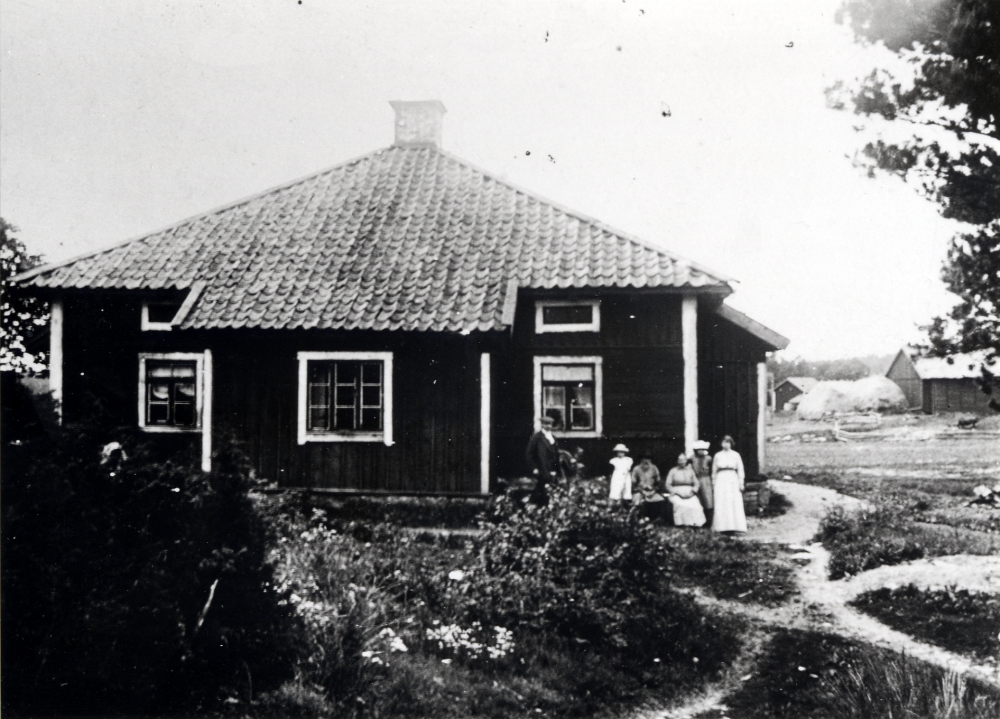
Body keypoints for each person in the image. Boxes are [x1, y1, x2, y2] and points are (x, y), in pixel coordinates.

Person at [711, 434, 747, 533]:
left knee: (733, 501)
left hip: (732, 479)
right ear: (721, 444)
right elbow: (714, 471)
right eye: (724, 442)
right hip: (721, 479)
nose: (726, 444)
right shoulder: (717, 455)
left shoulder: (736, 455)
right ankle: (721, 527)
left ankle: (734, 526)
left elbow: (740, 469)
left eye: (728, 442)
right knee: (722, 502)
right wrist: (713, 483)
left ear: (731, 444)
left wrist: (741, 483)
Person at [664, 452, 706, 527]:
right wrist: (676, 492)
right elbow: (668, 484)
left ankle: (694, 524)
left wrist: (693, 491)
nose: (682, 462)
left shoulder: (690, 471)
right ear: (677, 461)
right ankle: (681, 524)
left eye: (683, 460)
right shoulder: (673, 471)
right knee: (680, 504)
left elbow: (696, 483)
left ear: (686, 460)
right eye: (680, 460)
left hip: (690, 493)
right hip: (677, 493)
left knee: (696, 505)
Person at [525, 416, 560, 505]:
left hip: (552, 470)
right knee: (541, 492)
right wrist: (534, 468)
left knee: (551, 491)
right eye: (546, 424)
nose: (548, 426)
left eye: (550, 424)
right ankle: (534, 509)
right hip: (542, 469)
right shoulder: (537, 437)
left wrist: (556, 470)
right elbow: (529, 454)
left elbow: (556, 455)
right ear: (542, 425)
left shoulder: (553, 437)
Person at [631, 455, 666, 519]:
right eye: (644, 460)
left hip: (652, 491)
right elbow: (633, 484)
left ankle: (656, 519)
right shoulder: (636, 469)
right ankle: (639, 518)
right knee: (638, 501)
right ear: (641, 460)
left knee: (661, 500)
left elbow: (658, 482)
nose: (646, 462)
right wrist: (641, 491)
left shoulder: (654, 468)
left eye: (648, 460)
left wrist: (654, 491)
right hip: (640, 491)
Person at [691, 439, 714, 527]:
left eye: (702, 449)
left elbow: (712, 469)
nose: (701, 451)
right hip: (695, 478)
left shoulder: (708, 458)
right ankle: (697, 522)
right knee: (697, 499)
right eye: (699, 449)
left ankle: (709, 522)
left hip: (705, 479)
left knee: (708, 499)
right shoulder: (692, 458)